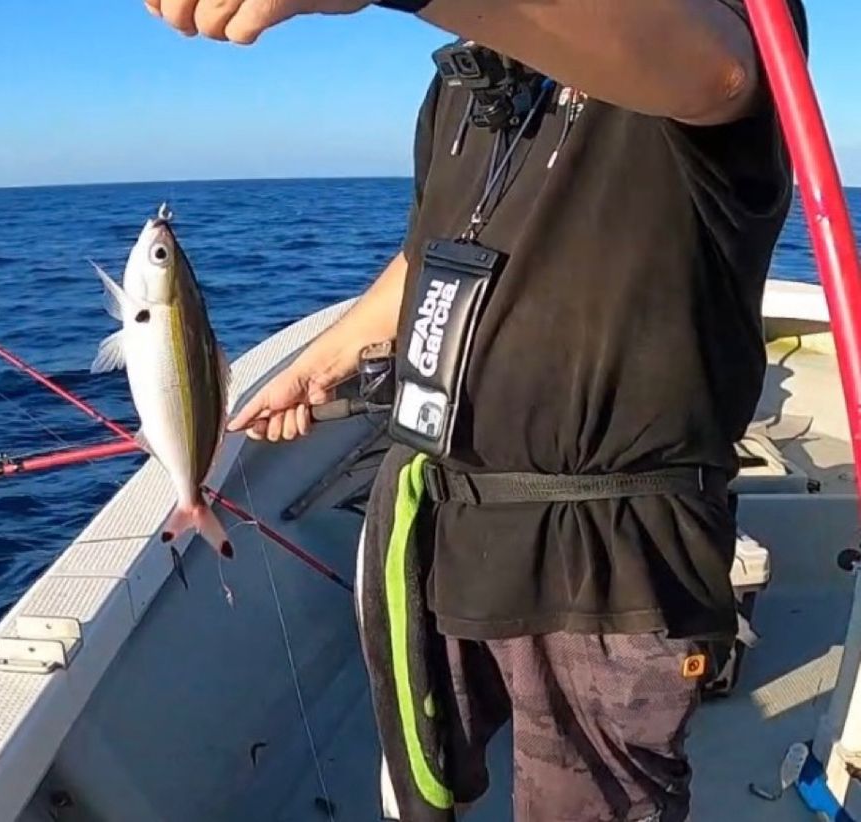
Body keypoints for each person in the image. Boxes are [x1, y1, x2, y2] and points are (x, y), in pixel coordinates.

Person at [147, 1, 808, 820]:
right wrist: (321, 362)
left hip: (605, 556)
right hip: (441, 516)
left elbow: (714, 71)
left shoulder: (711, 24)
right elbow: (431, 251)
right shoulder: (467, 83)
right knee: (421, 787)